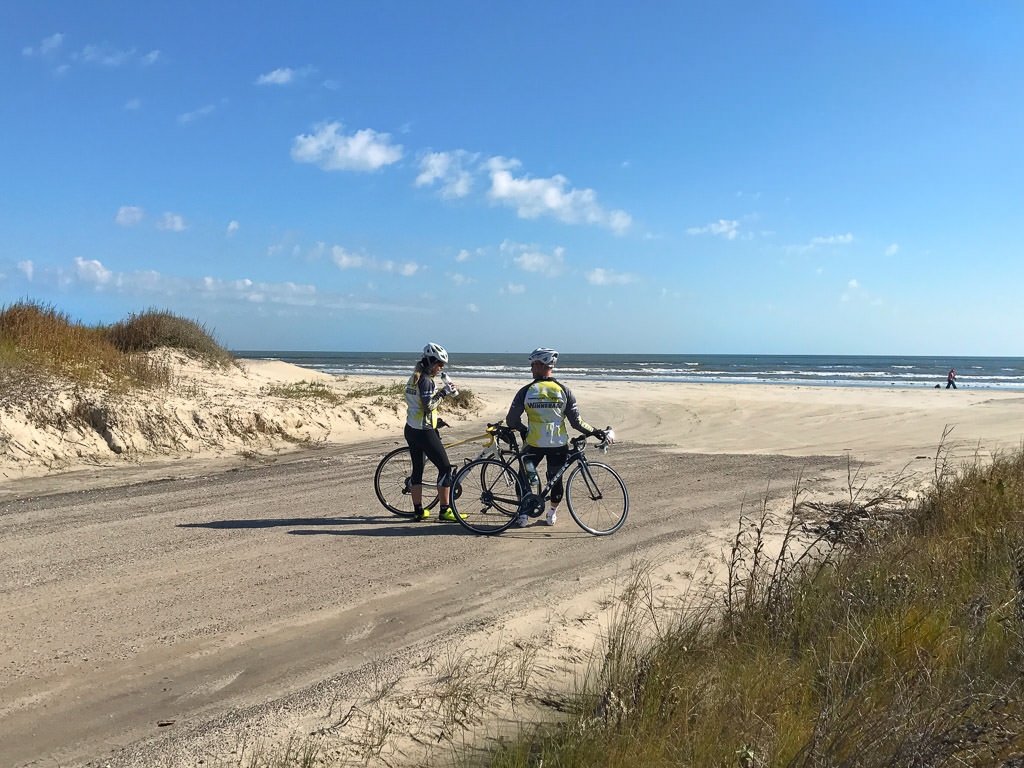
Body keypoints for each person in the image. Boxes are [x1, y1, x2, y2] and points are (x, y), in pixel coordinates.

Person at [505, 348, 610, 527]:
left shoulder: (526, 391)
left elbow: (511, 420)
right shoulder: (564, 391)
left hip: (533, 446)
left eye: (532, 364)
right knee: (555, 479)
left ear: (540, 365)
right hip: (558, 446)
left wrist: (523, 430)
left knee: (525, 477)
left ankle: (523, 514)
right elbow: (577, 422)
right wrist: (594, 431)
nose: (531, 368)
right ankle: (551, 514)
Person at [404, 342, 463, 521]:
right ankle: (445, 510)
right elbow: (429, 406)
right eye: (439, 363)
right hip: (424, 431)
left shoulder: (414, 377)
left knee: (417, 471)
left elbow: (417, 405)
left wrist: (436, 419)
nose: (441, 367)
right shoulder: (426, 381)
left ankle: (419, 511)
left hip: (411, 428)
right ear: (430, 361)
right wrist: (444, 392)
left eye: (442, 365)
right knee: (445, 468)